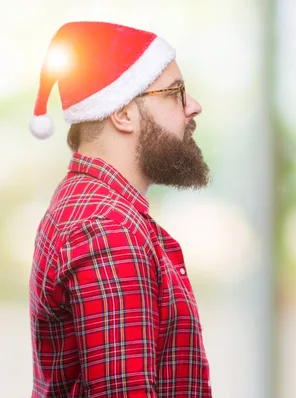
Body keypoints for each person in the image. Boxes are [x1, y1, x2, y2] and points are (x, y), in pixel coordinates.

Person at [28, 21, 213, 397]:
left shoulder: (90, 207)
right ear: (123, 114)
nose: (193, 106)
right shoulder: (108, 229)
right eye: (175, 92)